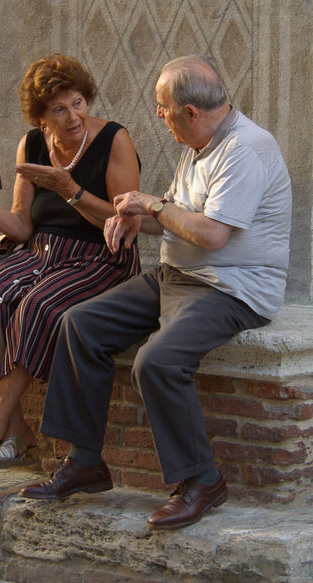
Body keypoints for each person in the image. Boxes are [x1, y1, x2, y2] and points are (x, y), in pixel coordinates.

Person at [19, 54, 292, 530]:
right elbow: (173, 219)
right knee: (79, 323)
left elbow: (210, 235)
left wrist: (153, 205)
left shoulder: (244, 149)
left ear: (190, 111)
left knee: (158, 361)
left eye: (163, 108)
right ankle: (85, 461)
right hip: (177, 278)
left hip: (231, 288)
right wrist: (131, 217)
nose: (159, 116)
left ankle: (202, 480)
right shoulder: (199, 143)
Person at [0, 53, 141, 478]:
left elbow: (126, 224)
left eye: (77, 103)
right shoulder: (31, 144)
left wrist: (69, 189)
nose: (72, 117)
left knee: (38, 306)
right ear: (41, 117)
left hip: (101, 256)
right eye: (58, 110)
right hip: (41, 251)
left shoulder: (115, 140)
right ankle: (19, 429)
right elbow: (23, 227)